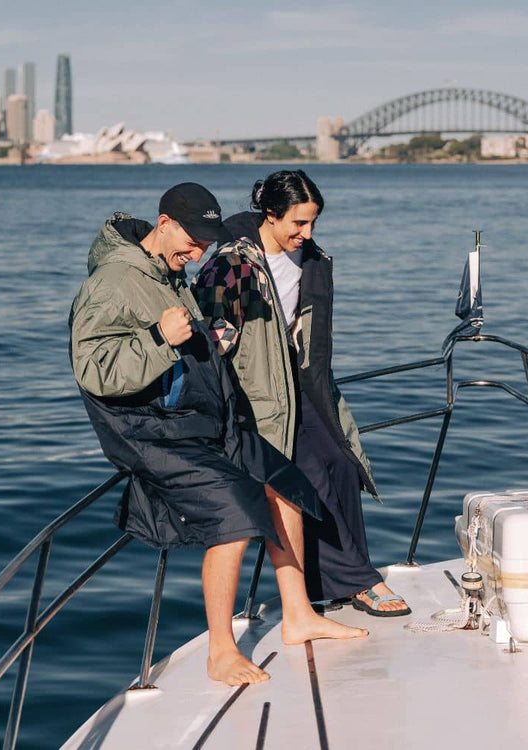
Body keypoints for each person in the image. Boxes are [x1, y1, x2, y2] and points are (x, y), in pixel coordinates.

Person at [69, 182, 368, 687]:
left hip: (202, 419)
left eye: (206, 243)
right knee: (234, 511)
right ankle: (221, 651)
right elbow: (93, 369)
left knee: (286, 486)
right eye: (193, 241)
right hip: (151, 432)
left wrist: (210, 339)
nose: (198, 254)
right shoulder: (114, 280)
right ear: (165, 224)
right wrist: (159, 339)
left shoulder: (166, 270)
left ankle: (298, 614)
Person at [192, 170, 410, 617]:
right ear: (270, 214)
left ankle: (331, 580)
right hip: (256, 392)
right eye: (298, 223)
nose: (306, 233)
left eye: (312, 222)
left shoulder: (310, 258)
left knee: (343, 464)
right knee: (306, 475)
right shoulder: (232, 263)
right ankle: (360, 581)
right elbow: (210, 341)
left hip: (302, 382)